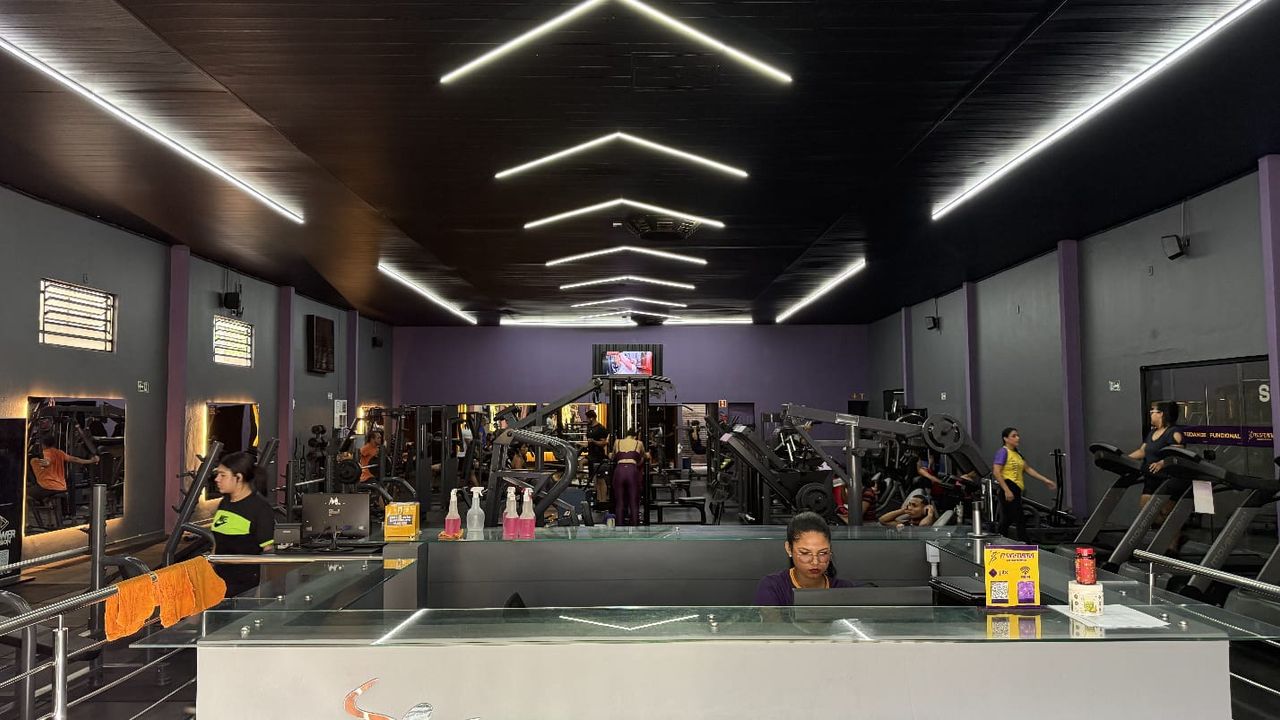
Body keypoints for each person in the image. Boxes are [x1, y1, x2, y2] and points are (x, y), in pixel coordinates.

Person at [755, 512, 860, 605]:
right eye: (805, 553)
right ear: (789, 548)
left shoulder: (845, 589)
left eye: (823, 553)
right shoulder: (773, 587)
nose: (815, 562)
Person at [210, 451, 275, 597]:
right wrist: (210, 566)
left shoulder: (260, 509)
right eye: (217, 474)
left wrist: (264, 592)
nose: (217, 479)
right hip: (219, 578)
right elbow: (218, 542)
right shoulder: (225, 503)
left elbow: (268, 551)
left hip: (243, 583)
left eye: (223, 475)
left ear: (238, 477)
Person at [992, 427, 1057, 541]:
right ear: (1005, 439)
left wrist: (1045, 480)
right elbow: (996, 472)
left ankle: (1000, 539)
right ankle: (1024, 541)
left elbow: (1028, 469)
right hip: (1008, 485)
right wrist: (1006, 490)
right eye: (1014, 436)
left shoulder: (1017, 454)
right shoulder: (1003, 452)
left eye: (1017, 435)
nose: (1017, 438)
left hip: (1016, 488)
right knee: (1018, 517)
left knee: (1008, 518)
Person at [1127, 401, 1185, 512]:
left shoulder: (1174, 433)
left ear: (1161, 414)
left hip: (1167, 479)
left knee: (1163, 513)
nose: (1151, 414)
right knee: (1145, 511)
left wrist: (1162, 463)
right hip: (1151, 478)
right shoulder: (1152, 432)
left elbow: (1178, 455)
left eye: (1152, 411)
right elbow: (1142, 451)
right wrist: (1124, 458)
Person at [30, 434, 98, 502]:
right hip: (61, 487)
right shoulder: (60, 453)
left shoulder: (46, 452)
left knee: (26, 493)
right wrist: (91, 461)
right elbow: (75, 459)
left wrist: (47, 463)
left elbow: (48, 459)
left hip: (48, 487)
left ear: (43, 444)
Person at [611, 428, 647, 526]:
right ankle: (635, 525)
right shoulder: (638, 443)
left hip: (619, 470)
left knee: (619, 502)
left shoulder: (617, 442)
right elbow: (644, 456)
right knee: (634, 502)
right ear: (635, 436)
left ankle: (619, 526)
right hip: (632, 471)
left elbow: (612, 456)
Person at [583, 410, 610, 499]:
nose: (586, 420)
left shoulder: (601, 428)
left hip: (598, 456)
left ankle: (602, 500)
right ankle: (598, 498)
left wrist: (594, 441)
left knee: (600, 479)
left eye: (587, 418)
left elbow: (604, 443)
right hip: (591, 455)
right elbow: (589, 442)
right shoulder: (589, 427)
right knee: (581, 462)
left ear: (591, 418)